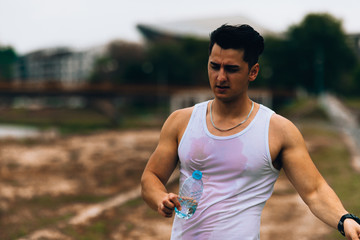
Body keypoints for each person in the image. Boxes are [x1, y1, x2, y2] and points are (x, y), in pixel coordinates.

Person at [141, 24, 360, 239]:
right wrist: (160, 198)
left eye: (232, 69)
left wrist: (345, 220)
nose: (220, 77)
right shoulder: (181, 121)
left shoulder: (277, 130)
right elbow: (151, 176)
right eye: (214, 66)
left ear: (253, 72)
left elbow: (314, 191)